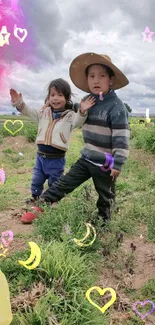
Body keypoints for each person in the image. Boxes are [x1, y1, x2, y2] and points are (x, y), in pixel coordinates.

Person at [38, 53, 130, 229]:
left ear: (110, 80)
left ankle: (104, 222)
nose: (96, 80)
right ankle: (43, 202)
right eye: (92, 76)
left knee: (105, 194)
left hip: (105, 163)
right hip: (87, 157)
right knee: (66, 182)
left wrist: (118, 163)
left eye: (101, 75)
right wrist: (52, 104)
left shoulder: (116, 107)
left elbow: (121, 137)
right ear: (87, 80)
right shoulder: (87, 101)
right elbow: (72, 108)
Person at [9, 78, 95, 206]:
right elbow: (28, 111)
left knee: (55, 181)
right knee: (37, 179)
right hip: (40, 156)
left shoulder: (70, 116)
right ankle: (35, 197)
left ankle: (51, 200)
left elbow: (79, 120)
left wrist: (82, 111)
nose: (55, 98)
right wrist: (18, 103)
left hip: (56, 158)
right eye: (52, 95)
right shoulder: (44, 112)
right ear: (48, 97)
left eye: (60, 95)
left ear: (67, 97)